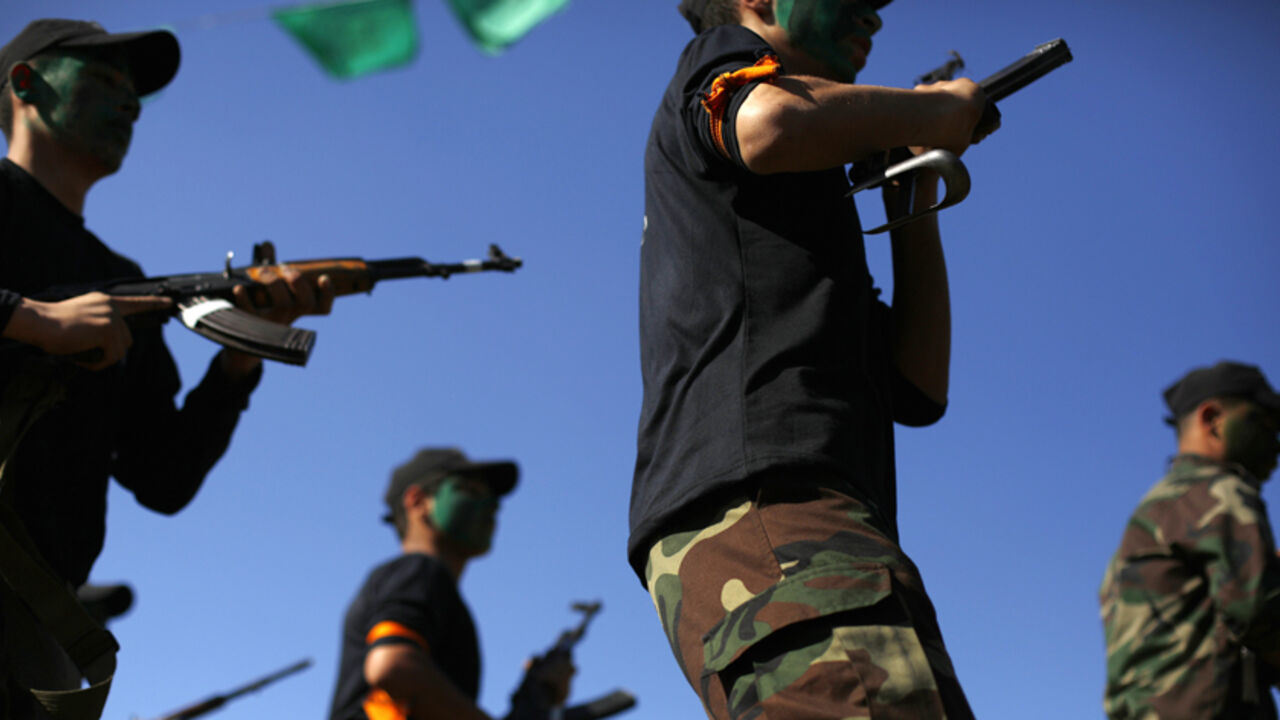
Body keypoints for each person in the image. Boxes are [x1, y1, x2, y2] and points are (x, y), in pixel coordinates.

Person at [630, 1, 994, 718]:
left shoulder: (800, 185)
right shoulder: (725, 60)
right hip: (769, 504)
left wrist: (909, 185)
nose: (876, 15)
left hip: (792, 516)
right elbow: (769, 123)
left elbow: (918, 387)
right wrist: (927, 112)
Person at [0, 18, 331, 717]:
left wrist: (244, 355)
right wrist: (32, 321)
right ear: (24, 85)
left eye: (135, 96)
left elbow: (162, 476)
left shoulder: (122, 281)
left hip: (37, 617)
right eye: (103, 83)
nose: (129, 106)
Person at [329, 448, 573, 720]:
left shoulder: (434, 588)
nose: (492, 507)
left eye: (493, 500)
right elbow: (392, 664)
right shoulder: (419, 570)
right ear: (417, 500)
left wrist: (540, 699)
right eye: (470, 491)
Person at [1099, 361, 1280, 719]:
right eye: (1265, 425)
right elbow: (1261, 616)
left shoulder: (1158, 510)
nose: (1275, 445)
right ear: (1212, 418)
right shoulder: (1221, 492)